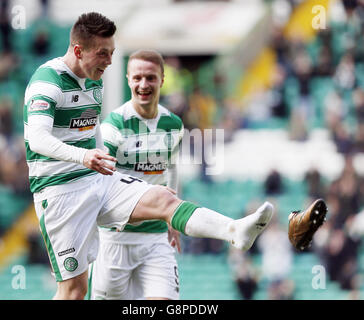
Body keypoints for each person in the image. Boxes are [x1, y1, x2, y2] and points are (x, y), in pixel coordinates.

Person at [24, 12, 274, 300]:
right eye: (102, 54)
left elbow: (90, 132)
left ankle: (234, 229)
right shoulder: (48, 80)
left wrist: (103, 162)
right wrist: (83, 157)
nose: (108, 61)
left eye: (112, 53)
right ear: (78, 51)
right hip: (60, 193)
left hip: (95, 180)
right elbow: (37, 138)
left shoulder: (94, 81)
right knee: (74, 292)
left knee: (163, 198)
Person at [87, 50, 183, 300]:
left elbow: (171, 169)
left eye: (150, 78)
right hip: (115, 238)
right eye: (137, 77)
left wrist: (172, 214)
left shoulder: (174, 124)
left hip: (155, 237)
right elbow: (98, 178)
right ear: (128, 78)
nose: (144, 84)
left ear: (162, 79)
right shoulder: (113, 126)